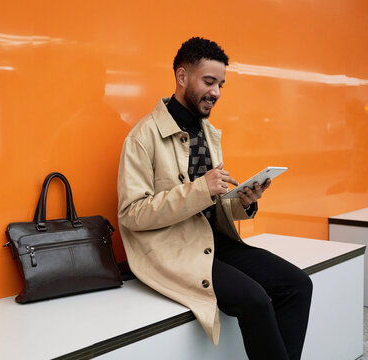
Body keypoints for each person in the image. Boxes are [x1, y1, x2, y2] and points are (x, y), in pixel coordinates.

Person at [117, 37, 313, 360]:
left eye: (221, 84)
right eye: (209, 82)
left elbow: (211, 202)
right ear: (182, 77)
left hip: (214, 241)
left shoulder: (208, 132)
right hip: (174, 250)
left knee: (298, 285)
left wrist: (244, 201)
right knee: (256, 300)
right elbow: (131, 213)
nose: (217, 92)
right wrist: (200, 189)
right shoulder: (142, 138)